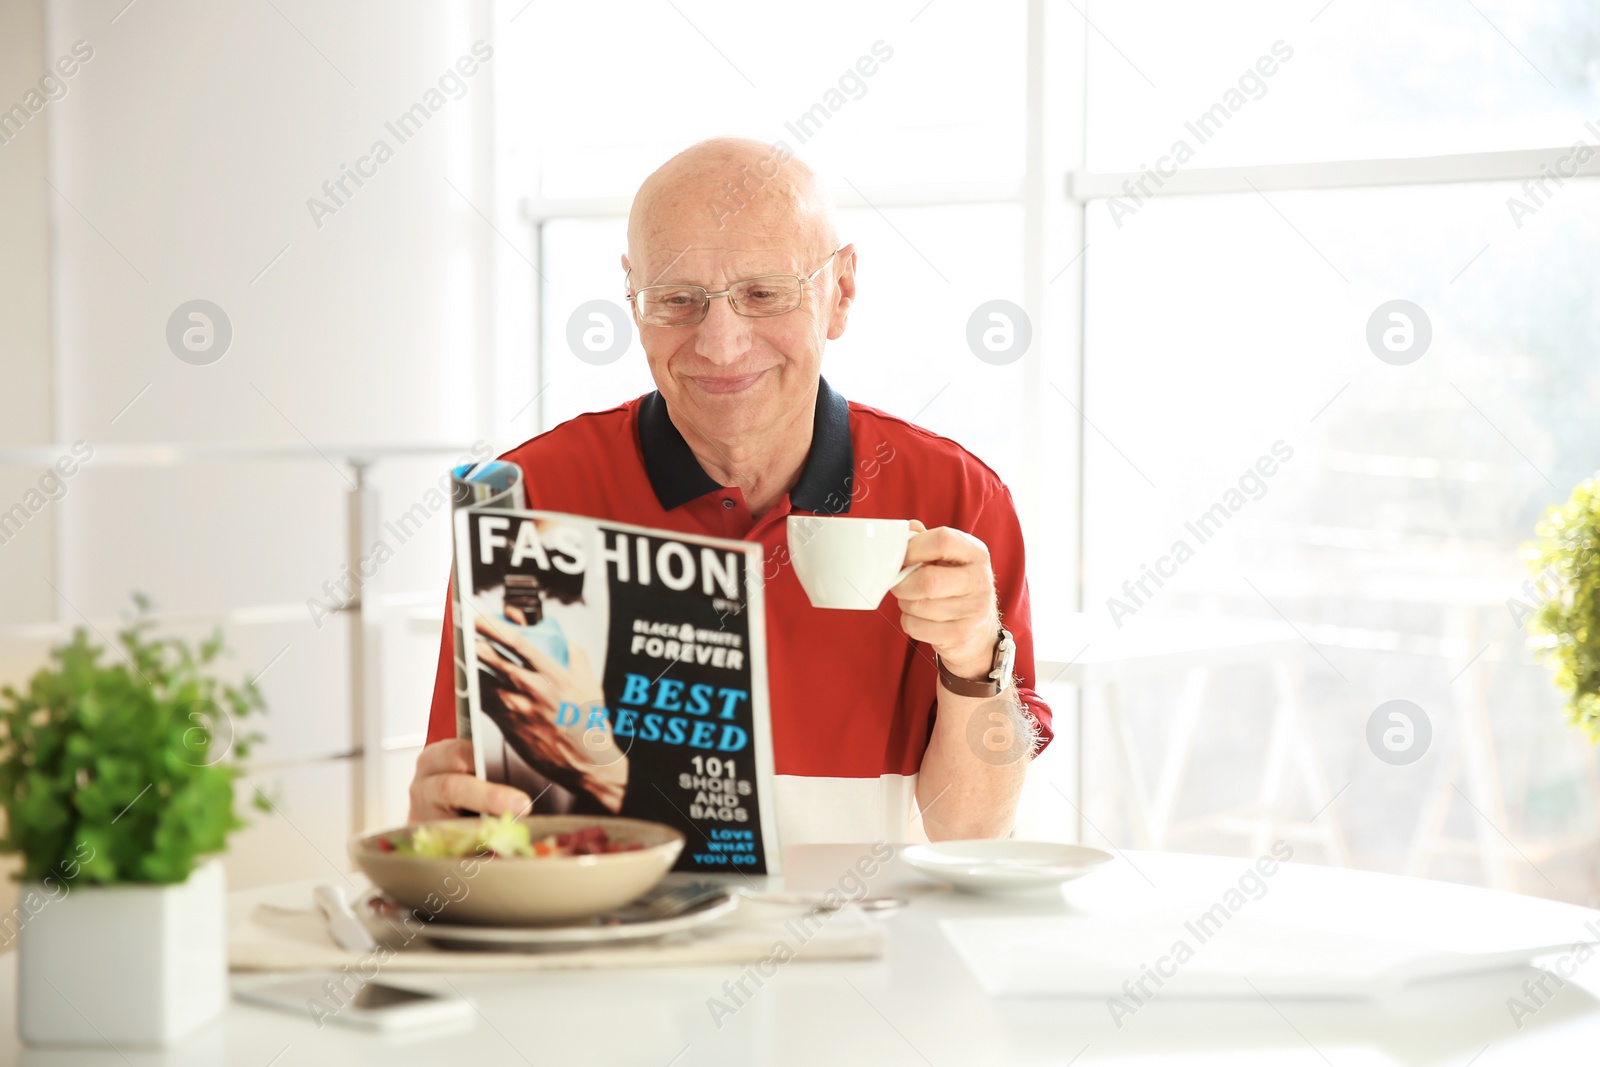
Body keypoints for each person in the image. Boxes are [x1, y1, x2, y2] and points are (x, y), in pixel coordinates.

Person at [409, 137, 1053, 843]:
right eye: (678, 299)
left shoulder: (958, 497)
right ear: (632, 298)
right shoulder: (525, 498)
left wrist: (972, 665)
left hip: (867, 945)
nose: (719, 344)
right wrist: (449, 826)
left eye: (763, 293)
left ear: (841, 291)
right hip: (614, 946)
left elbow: (973, 833)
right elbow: (478, 831)